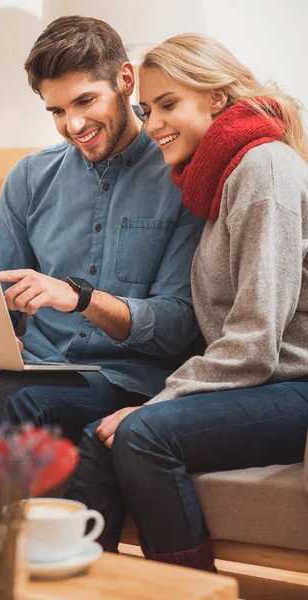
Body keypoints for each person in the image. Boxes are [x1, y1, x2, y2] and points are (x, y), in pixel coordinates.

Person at [0, 18, 203, 492]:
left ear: (125, 80)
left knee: (13, 398)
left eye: (85, 101)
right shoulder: (29, 178)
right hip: (29, 363)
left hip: (124, 377)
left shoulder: (180, 174)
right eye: (57, 111)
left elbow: (177, 326)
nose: (75, 125)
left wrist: (78, 298)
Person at [65, 33, 308, 572]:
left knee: (142, 433)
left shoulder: (263, 170)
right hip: (262, 383)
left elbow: (255, 341)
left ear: (217, 98)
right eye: (146, 110)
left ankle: (191, 590)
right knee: (99, 439)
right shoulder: (216, 178)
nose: (152, 126)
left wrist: (156, 403)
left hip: (294, 386)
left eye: (168, 105)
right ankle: (78, 584)